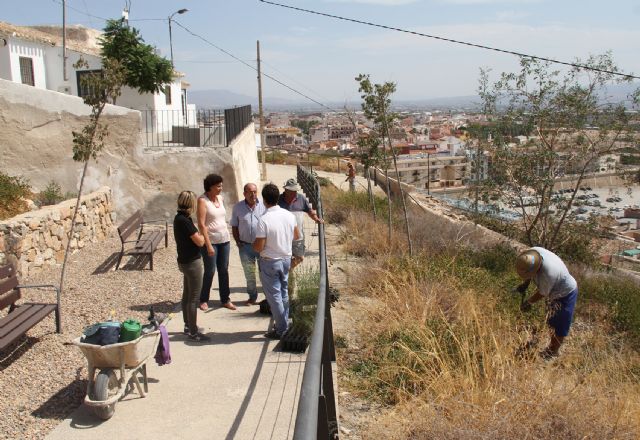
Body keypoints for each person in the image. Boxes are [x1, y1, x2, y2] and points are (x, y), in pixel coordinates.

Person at [253, 183, 300, 339]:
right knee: (283, 293)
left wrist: (255, 244)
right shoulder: (289, 215)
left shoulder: (264, 220)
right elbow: (296, 236)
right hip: (286, 259)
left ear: (264, 200)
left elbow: (259, 247)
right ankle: (284, 323)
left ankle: (281, 329)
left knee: (274, 297)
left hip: (270, 261)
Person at [516, 247, 578, 358]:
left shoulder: (548, 273)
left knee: (560, 326)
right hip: (552, 292)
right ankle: (550, 347)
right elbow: (530, 271)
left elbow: (542, 293)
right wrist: (525, 284)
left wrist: (528, 302)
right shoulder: (531, 254)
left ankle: (553, 352)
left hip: (565, 294)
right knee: (551, 321)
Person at [173, 191, 210, 342]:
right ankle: (193, 332)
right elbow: (200, 242)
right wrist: (203, 232)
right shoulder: (185, 221)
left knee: (187, 295)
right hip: (192, 262)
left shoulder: (178, 218)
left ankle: (188, 326)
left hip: (183, 260)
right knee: (193, 298)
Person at [197, 174, 234, 311]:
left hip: (224, 240)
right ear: (210, 187)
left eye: (221, 185)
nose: (221, 188)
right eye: (218, 186)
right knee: (210, 271)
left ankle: (225, 299)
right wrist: (208, 245)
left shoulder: (220, 198)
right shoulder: (202, 201)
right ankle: (203, 299)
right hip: (211, 241)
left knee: (224, 270)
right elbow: (201, 225)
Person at [230, 183, 266, 306]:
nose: (253, 194)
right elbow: (234, 226)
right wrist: (238, 241)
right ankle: (252, 297)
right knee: (249, 274)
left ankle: (268, 298)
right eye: (250, 192)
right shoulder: (238, 207)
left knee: (264, 273)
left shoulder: (263, 206)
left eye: (255, 192)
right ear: (244, 193)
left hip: (261, 246)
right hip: (245, 247)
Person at [278, 178, 323, 269]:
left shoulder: (301, 198)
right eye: (291, 191)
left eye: (295, 191)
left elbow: (309, 211)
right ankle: (288, 278)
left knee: (300, 257)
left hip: (298, 236)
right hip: (282, 237)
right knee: (284, 259)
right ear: (286, 190)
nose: (294, 193)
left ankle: (286, 271)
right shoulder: (278, 200)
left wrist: (316, 219)